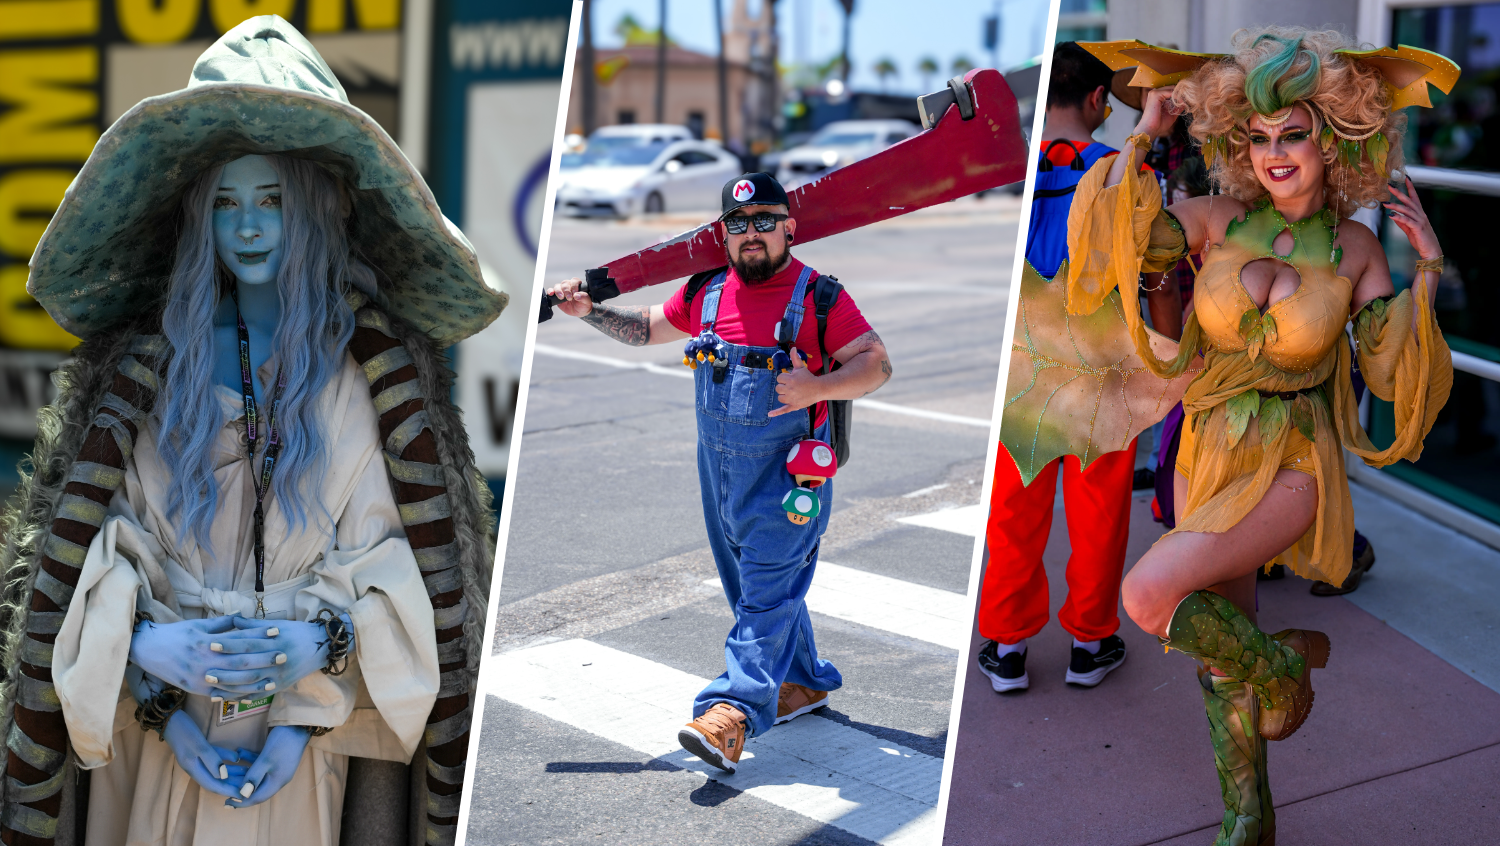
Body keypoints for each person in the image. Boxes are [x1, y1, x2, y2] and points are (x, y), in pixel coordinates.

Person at [0, 18, 500, 845]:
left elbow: (387, 565)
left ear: (319, 204)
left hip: (300, 756)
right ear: (199, 217)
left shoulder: (363, 382)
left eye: (272, 200)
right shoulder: (148, 379)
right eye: (227, 203)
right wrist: (152, 667)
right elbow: (100, 550)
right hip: (148, 748)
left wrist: (311, 681)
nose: (249, 228)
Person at [1048, 31, 1454, 843]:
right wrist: (1145, 133)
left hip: (1292, 459)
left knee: (1148, 596)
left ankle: (1286, 670)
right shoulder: (1217, 219)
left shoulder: (1357, 248)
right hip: (1207, 445)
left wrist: (1430, 270)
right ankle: (1248, 816)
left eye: (1293, 133)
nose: (1274, 153)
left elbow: (1386, 369)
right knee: (1215, 647)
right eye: (1258, 137)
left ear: (1334, 138)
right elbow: (1112, 244)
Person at [544, 172, 892, 773]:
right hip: (720, 475)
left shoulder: (818, 296)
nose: (750, 234)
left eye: (763, 221)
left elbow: (876, 364)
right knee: (760, 590)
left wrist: (818, 386)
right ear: (723, 234)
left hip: (789, 481)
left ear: (789, 227)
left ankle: (731, 711)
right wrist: (588, 311)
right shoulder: (707, 290)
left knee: (764, 594)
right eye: (738, 224)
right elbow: (648, 327)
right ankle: (803, 681)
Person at [978, 43, 1179, 695]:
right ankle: (1090, 644)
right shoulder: (1124, 173)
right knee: (1098, 512)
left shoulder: (1011, 177)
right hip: (1101, 370)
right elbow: (1155, 274)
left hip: (1023, 371)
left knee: (1014, 510)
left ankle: (1006, 648)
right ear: (1098, 100)